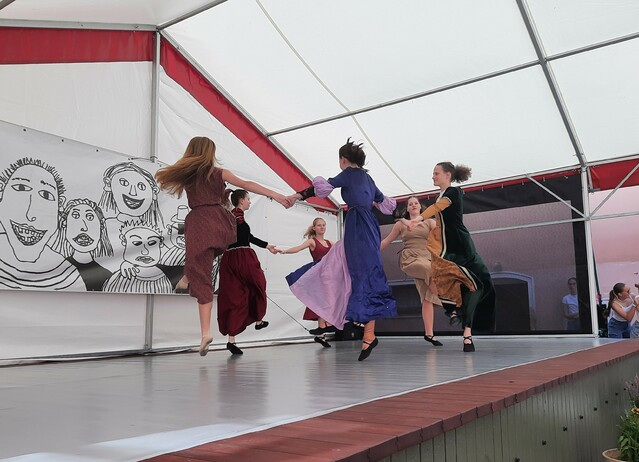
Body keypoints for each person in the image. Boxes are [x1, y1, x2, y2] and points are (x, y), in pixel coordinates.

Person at [154, 136, 291, 357]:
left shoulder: (188, 175)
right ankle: (189, 276)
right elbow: (246, 185)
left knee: (201, 272)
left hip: (199, 221)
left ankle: (205, 332)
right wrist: (275, 194)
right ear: (210, 152)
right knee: (208, 257)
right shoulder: (218, 173)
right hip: (220, 224)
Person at [285, 138, 397, 361]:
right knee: (365, 272)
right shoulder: (368, 178)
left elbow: (321, 188)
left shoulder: (349, 174)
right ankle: (367, 333)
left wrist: (297, 195)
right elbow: (385, 203)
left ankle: (361, 328)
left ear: (343, 159)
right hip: (369, 226)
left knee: (354, 272)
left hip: (357, 225)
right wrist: (403, 219)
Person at [404, 162, 495, 352]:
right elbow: (438, 222)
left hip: (461, 247)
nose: (433, 176)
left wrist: (418, 219)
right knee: (457, 282)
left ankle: (465, 327)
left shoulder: (453, 192)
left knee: (479, 284)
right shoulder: (440, 195)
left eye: (436, 173)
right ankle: (458, 317)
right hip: (448, 249)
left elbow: (438, 207)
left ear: (447, 175)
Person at [217, 188, 280, 355]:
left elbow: (247, 237)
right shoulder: (236, 216)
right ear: (241, 200)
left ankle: (231, 340)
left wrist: (267, 245)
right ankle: (258, 320)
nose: (250, 202)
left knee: (236, 297)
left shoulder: (234, 217)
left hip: (229, 259)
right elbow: (240, 235)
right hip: (242, 256)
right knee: (258, 284)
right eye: (248, 199)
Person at [380, 196, 442, 347]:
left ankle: (429, 334)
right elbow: (386, 241)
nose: (413, 205)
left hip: (427, 257)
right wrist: (371, 252)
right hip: (411, 259)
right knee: (429, 271)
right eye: (410, 204)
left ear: (420, 207)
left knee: (427, 297)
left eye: (416, 203)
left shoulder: (429, 222)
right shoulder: (400, 224)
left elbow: (442, 236)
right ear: (407, 209)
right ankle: (449, 305)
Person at [277, 217, 335, 348]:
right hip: (318, 276)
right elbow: (298, 248)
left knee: (327, 301)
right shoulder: (312, 241)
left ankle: (321, 333)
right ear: (314, 228)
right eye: (319, 225)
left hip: (328, 276)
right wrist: (284, 251)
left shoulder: (330, 243)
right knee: (321, 301)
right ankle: (323, 327)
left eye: (324, 225)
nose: (322, 227)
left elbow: (341, 252)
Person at [53, 198, 113, 291]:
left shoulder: (108, 277)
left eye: (90, 217)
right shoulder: (56, 271)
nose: (83, 227)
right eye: (75, 216)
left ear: (101, 225)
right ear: (65, 223)